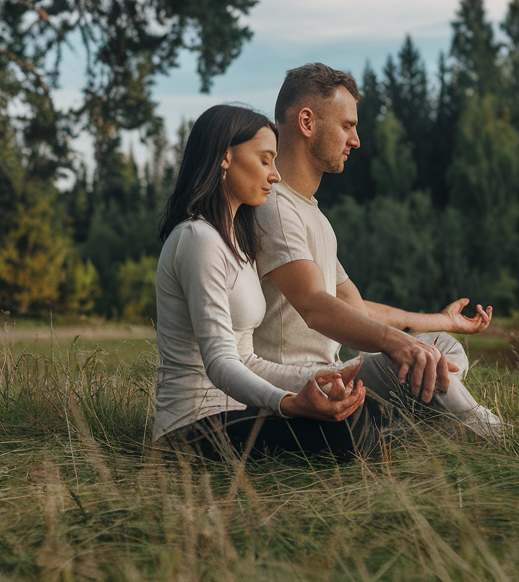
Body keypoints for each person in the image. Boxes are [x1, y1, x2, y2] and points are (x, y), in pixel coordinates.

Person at [254, 63, 504, 438]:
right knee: (415, 355)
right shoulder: (273, 206)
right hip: (293, 387)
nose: (355, 140)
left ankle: (402, 433)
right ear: (307, 122)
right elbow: (314, 306)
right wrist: (398, 345)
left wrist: (443, 321)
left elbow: (358, 310)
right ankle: (492, 435)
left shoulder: (313, 215)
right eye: (347, 126)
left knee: (441, 346)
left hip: (334, 372)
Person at [152, 103, 381, 461]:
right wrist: (288, 404)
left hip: (238, 412)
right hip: (191, 426)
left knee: (364, 417)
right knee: (350, 432)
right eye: (265, 160)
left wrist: (320, 377)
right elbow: (219, 362)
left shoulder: (236, 243)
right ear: (225, 157)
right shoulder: (195, 238)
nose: (275, 175)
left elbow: (247, 359)